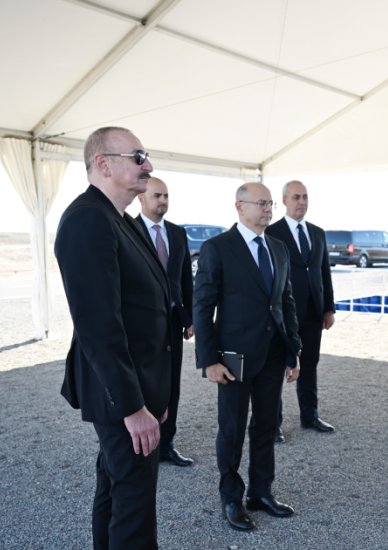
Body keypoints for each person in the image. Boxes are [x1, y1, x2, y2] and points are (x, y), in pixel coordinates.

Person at [54, 127, 171, 549]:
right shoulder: (88, 219)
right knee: (133, 505)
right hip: (121, 394)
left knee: (118, 487)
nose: (148, 165)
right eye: (138, 157)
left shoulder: (117, 219)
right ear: (103, 164)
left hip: (137, 387)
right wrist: (133, 407)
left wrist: (153, 394)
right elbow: (98, 325)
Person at [193, 182, 303, 532]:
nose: (268, 209)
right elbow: (202, 306)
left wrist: (294, 351)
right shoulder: (217, 248)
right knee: (232, 429)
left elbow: (286, 302)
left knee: (266, 426)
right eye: (261, 203)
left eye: (270, 203)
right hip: (233, 359)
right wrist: (208, 360)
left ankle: (261, 492)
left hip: (273, 354)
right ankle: (231, 497)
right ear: (239, 207)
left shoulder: (279, 248)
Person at [266, 180, 336, 440]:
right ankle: (273, 424)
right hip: (282, 313)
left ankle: (310, 416)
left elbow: (324, 272)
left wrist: (329, 308)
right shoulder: (271, 232)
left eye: (305, 197)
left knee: (309, 364)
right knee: (276, 368)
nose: (302, 202)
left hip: (313, 312)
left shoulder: (317, 233)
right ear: (284, 200)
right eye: (296, 197)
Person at [136, 177, 195, 467]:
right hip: (142, 325)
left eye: (166, 196)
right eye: (157, 195)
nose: (163, 200)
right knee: (146, 383)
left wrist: (190, 317)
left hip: (173, 323)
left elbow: (185, 279)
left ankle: (166, 445)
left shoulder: (178, 233)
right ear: (141, 198)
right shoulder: (129, 230)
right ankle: (143, 446)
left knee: (171, 385)